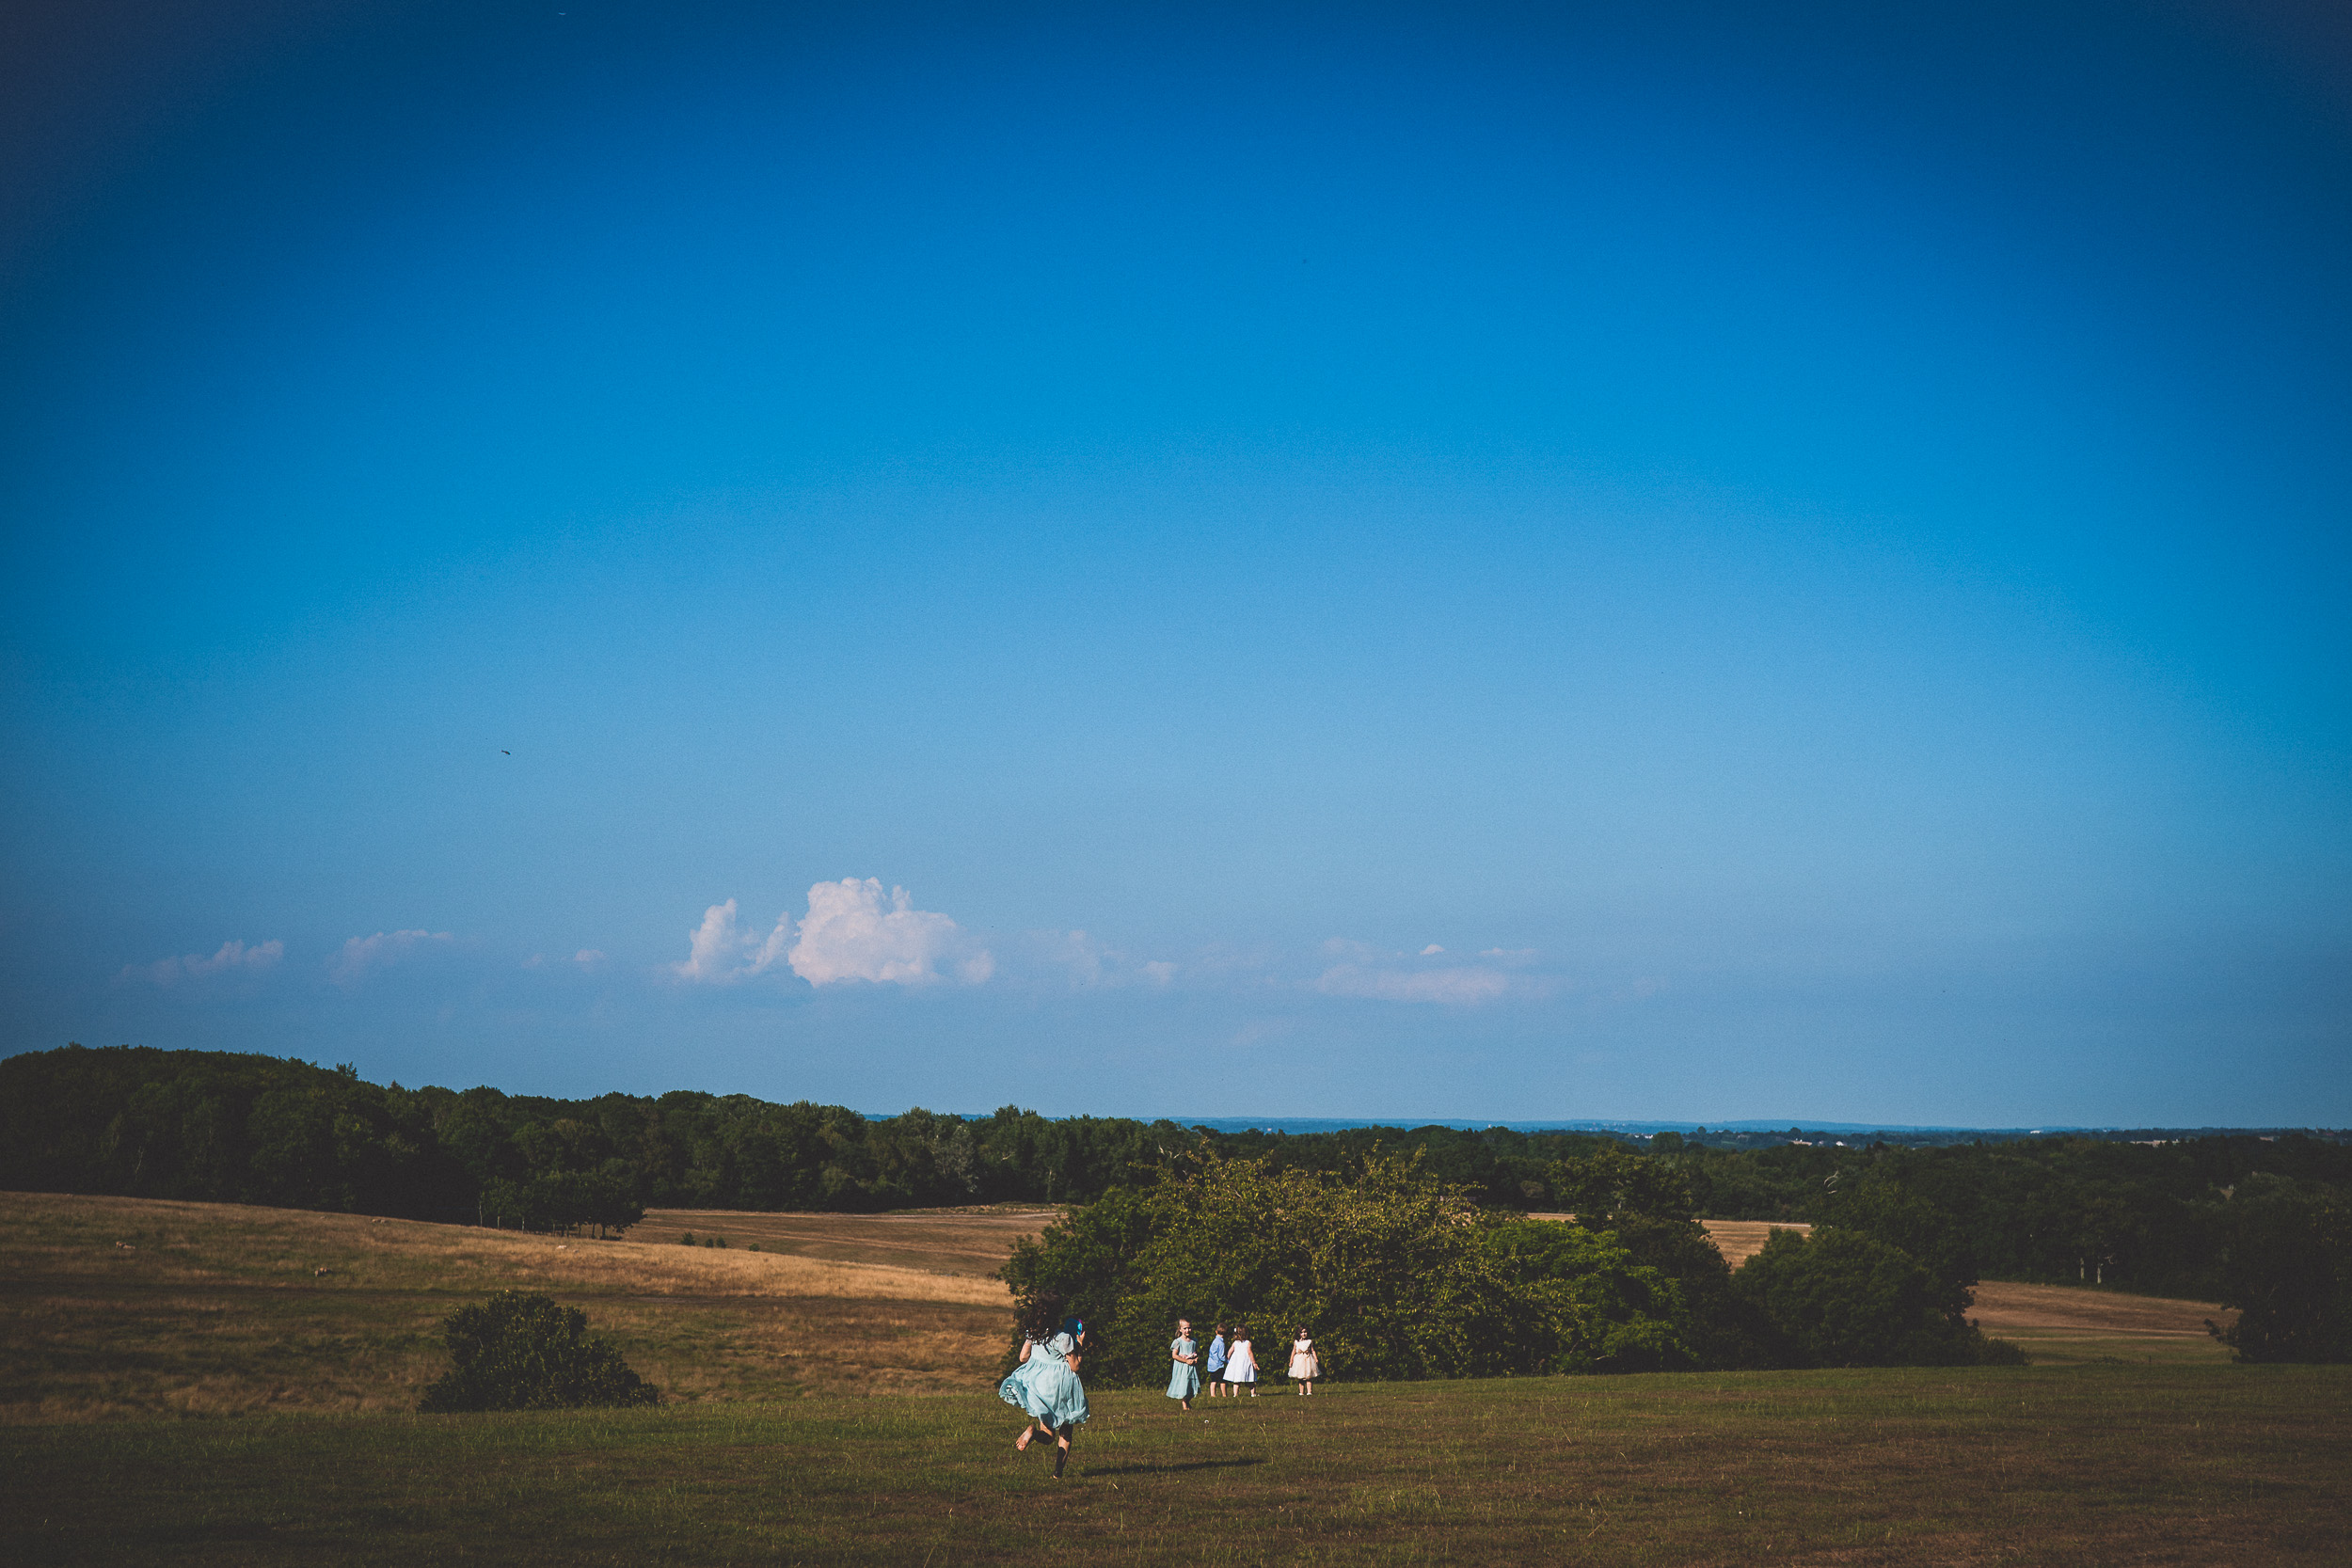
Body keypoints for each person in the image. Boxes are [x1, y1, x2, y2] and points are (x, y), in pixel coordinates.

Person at [1000, 1309, 1090, 1479]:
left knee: (1048, 1435)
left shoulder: (1034, 1335)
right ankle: (1057, 1473)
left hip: (1042, 1387)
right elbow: (1076, 1367)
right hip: (1061, 1387)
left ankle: (1033, 1433)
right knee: (1066, 1432)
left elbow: (1022, 1357)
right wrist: (1079, 1345)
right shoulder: (1065, 1339)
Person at [1166, 1318, 1200, 1410]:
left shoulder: (1194, 1341)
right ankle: (1185, 1404)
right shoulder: (1178, 1341)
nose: (1187, 1330)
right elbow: (1174, 1355)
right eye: (1184, 1328)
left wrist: (1196, 1358)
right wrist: (1185, 1361)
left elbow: (1195, 1352)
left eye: (1189, 1328)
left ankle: (1187, 1401)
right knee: (1184, 1384)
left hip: (1192, 1366)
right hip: (1183, 1366)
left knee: (1192, 1385)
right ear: (1180, 1329)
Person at [1223, 1324, 1258, 1396]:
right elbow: (1250, 1352)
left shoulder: (1235, 1343)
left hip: (1237, 1363)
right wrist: (1254, 1362)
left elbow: (1230, 1351)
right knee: (1250, 1379)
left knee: (1237, 1380)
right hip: (1246, 1362)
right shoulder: (1248, 1343)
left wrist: (1228, 1357)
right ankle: (1253, 1393)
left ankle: (1235, 1394)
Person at [1287, 1326, 1320, 1395]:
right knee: (1300, 1377)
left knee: (1308, 1376)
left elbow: (1312, 1350)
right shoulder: (1296, 1342)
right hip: (1299, 1360)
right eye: (1302, 1332)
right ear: (1299, 1333)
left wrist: (1316, 1358)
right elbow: (1293, 1351)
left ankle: (1309, 1392)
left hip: (1308, 1359)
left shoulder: (1309, 1341)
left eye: (1305, 1332)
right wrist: (1291, 1361)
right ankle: (1301, 1392)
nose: (1304, 1334)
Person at [1203, 1323, 1229, 1397]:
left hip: (1212, 1364)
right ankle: (1224, 1395)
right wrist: (1228, 1361)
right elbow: (1221, 1356)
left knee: (1213, 1381)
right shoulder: (1221, 1343)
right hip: (1219, 1365)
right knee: (1222, 1381)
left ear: (1216, 1332)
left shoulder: (1214, 1341)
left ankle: (1212, 1395)